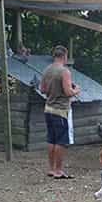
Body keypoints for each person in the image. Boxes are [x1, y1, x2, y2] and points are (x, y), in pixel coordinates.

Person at [39, 45, 80, 179]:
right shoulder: (64, 71)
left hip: (48, 109)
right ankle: (58, 170)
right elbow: (68, 92)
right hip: (61, 110)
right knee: (61, 141)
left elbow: (43, 90)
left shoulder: (47, 70)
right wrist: (76, 90)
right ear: (64, 56)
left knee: (51, 139)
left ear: (54, 56)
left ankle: (51, 169)